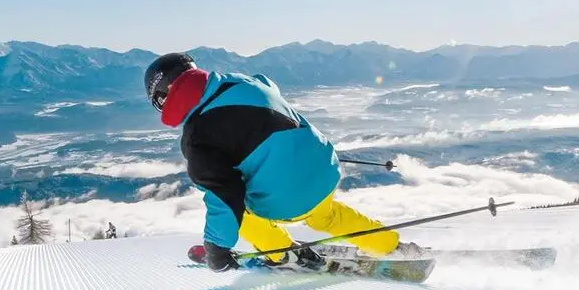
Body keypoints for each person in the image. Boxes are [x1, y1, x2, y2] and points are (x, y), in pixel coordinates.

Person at [144, 52, 415, 272]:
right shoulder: (242, 81)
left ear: (164, 97)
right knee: (327, 214)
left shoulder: (197, 139)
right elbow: (269, 92)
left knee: (241, 214)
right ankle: (389, 244)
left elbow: (224, 197)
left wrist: (217, 249)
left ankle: (283, 254)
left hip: (288, 199)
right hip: (324, 168)